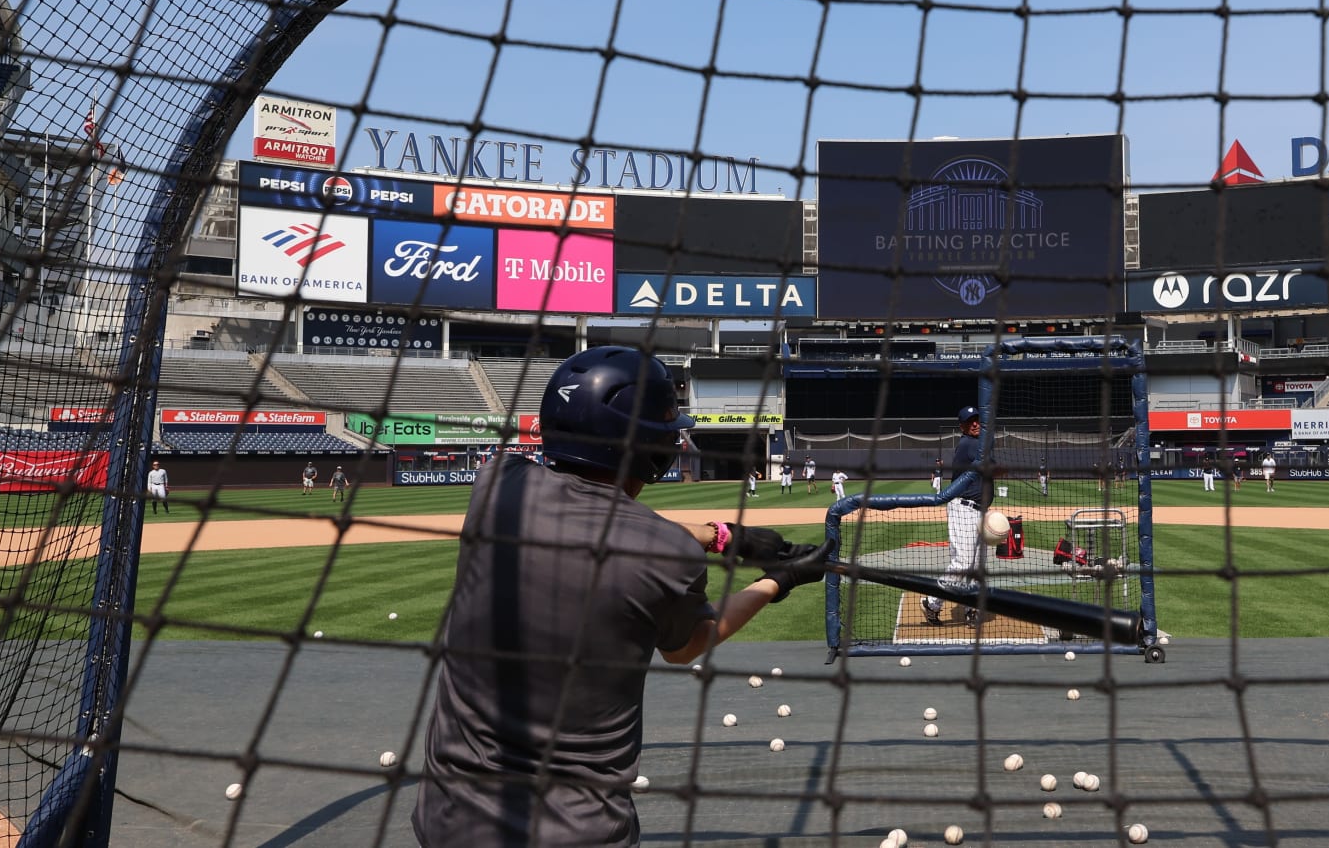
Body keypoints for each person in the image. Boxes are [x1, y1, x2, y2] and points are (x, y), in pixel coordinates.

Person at [414, 346, 825, 848]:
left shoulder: (497, 485)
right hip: (577, 831)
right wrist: (777, 581)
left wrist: (721, 536)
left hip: (450, 820)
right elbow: (690, 645)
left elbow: (596, 522)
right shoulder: (667, 554)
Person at [922, 406, 989, 628]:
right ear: (962, 427)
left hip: (979, 511)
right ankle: (931, 603)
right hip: (964, 509)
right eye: (970, 421)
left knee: (976, 566)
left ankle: (971, 609)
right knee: (963, 563)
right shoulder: (969, 444)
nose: (975, 424)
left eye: (977, 419)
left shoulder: (977, 444)